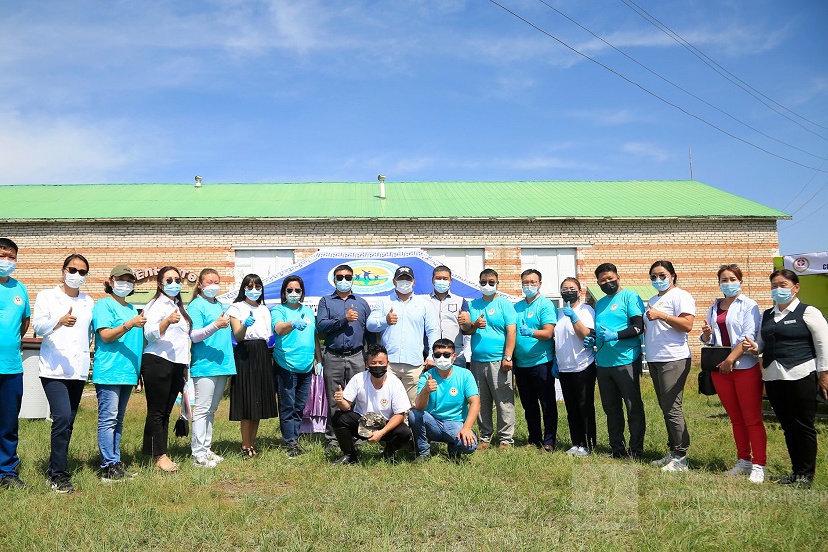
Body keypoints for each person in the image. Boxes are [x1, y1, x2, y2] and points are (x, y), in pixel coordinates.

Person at [743, 269, 828, 488]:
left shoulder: (808, 312)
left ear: (795, 287)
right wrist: (754, 348)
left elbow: (823, 345)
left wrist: (824, 374)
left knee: (803, 426)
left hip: (801, 375)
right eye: (774, 285)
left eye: (783, 285)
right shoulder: (767, 315)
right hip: (773, 378)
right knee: (788, 426)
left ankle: (806, 475)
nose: (778, 289)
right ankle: (796, 471)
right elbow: (761, 344)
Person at [31, 253, 95, 492]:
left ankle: (54, 467)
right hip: (54, 369)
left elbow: (91, 332)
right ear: (63, 270)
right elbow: (38, 327)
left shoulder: (88, 302)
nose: (76, 275)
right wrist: (59, 321)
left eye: (82, 272)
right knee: (62, 418)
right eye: (72, 269)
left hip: (77, 370)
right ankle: (58, 475)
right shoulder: (47, 296)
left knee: (68, 423)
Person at [699, 264, 765, 483]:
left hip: (744, 367)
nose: (727, 283)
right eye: (723, 280)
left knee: (752, 419)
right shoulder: (714, 306)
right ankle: (744, 461)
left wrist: (730, 360)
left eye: (732, 279)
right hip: (721, 370)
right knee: (736, 419)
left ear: (740, 281)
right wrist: (707, 335)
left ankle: (759, 464)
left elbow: (748, 337)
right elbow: (710, 340)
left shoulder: (749, 305)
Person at [91, 265, 146, 482]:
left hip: (127, 372)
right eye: (121, 279)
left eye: (130, 280)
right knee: (108, 419)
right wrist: (129, 324)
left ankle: (115, 461)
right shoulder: (104, 305)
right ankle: (107, 465)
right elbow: (105, 336)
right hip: (109, 371)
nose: (126, 283)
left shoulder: (132, 308)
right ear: (111, 281)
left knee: (119, 420)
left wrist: (139, 371)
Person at [644, 260, 696, 472]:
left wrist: (662, 315)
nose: (658, 279)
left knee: (672, 407)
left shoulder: (680, 296)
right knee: (666, 407)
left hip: (673, 358)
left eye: (662, 275)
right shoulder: (653, 299)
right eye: (654, 276)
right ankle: (673, 452)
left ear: (673, 275)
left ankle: (682, 457)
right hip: (655, 359)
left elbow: (687, 325)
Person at [590, 262, 645, 459]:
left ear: (618, 278)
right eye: (603, 280)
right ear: (598, 282)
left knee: (633, 408)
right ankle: (617, 449)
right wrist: (593, 338)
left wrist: (616, 335)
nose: (607, 282)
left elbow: (639, 327)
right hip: (603, 363)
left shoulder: (630, 296)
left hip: (626, 361)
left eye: (610, 278)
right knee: (611, 410)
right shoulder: (600, 303)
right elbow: (602, 330)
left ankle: (636, 451)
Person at [141, 266, 192, 473]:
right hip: (157, 361)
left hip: (177, 363)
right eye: (168, 280)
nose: (174, 283)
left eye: (177, 279)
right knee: (157, 411)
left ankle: (159, 452)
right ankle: (159, 456)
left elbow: (183, 339)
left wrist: (185, 367)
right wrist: (166, 321)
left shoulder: (179, 305)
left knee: (166, 411)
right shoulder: (155, 304)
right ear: (160, 284)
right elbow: (149, 333)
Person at [460, 268, 517, 450]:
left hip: (499, 361)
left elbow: (511, 331)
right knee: (481, 401)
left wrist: (507, 357)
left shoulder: (505, 304)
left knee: (503, 401)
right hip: (477, 361)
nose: (487, 285)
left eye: (491, 282)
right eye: (483, 282)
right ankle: (485, 437)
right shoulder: (473, 305)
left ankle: (505, 439)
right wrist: (474, 325)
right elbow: (466, 330)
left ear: (497, 283)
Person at [316, 264, 371, 451]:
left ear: (353, 278)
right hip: (333, 356)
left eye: (348, 277)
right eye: (340, 277)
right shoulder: (326, 301)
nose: (344, 280)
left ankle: (359, 436)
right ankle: (332, 438)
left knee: (359, 398)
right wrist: (344, 319)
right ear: (334, 280)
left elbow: (369, 333)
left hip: (357, 356)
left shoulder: (362, 303)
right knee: (334, 398)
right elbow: (321, 327)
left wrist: (370, 356)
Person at [367, 266, 440, 405]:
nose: (404, 282)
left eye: (408, 279)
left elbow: (433, 331)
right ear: (394, 282)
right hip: (389, 363)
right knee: (386, 403)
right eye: (401, 279)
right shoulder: (384, 302)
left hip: (414, 364)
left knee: (413, 405)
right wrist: (385, 321)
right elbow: (370, 325)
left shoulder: (424, 304)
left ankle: (410, 427)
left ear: (414, 282)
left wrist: (431, 356)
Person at [187, 268, 236, 468]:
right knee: (202, 410)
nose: (213, 285)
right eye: (208, 282)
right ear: (200, 284)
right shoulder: (196, 306)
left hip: (222, 364)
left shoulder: (221, 305)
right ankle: (197, 454)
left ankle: (206, 449)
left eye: (216, 281)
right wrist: (215, 325)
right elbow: (194, 335)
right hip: (205, 365)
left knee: (212, 410)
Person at [330, 344, 412, 464]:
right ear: (367, 364)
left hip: (385, 425)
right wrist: (340, 401)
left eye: (381, 362)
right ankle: (349, 455)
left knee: (404, 432)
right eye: (373, 363)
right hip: (361, 423)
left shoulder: (395, 382)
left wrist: (381, 432)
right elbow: (346, 406)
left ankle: (388, 452)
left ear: (387, 363)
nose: (377, 366)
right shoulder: (358, 379)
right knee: (338, 417)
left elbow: (400, 414)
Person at [227, 273, 276, 458]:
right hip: (245, 353)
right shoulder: (236, 307)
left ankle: (252, 443)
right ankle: (245, 444)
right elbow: (238, 336)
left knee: (258, 402)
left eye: (257, 287)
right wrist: (245, 325)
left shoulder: (264, 309)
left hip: (262, 353)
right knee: (247, 401)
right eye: (250, 287)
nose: (254, 290)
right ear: (243, 289)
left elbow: (268, 336)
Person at [272, 275, 321, 458]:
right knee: (288, 405)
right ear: (284, 292)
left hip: (306, 366)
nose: (294, 293)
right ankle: (290, 443)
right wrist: (292, 324)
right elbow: (278, 329)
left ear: (302, 292)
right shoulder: (279, 310)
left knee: (300, 405)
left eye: (297, 290)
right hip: (286, 364)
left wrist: (319, 359)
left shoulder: (308, 311)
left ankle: (295, 436)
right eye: (290, 290)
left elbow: (314, 337)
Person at [409, 338, 480, 462]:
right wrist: (426, 390)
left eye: (446, 355)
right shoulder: (426, 376)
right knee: (413, 414)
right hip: (433, 422)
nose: (442, 358)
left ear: (454, 357)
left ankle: (454, 447)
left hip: (456, 422)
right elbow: (419, 407)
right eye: (438, 355)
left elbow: (475, 402)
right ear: (433, 356)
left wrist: (467, 428)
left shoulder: (465, 375)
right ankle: (423, 452)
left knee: (470, 446)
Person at [513, 269, 557, 452]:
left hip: (541, 362)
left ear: (540, 283)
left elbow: (548, 332)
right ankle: (534, 439)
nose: (529, 285)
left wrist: (532, 332)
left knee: (547, 404)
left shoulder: (545, 305)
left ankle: (549, 441)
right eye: (526, 282)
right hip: (521, 364)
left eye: (533, 282)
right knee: (528, 405)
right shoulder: (516, 307)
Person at [0, 238, 30, 490]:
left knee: (8, 423)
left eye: (11, 257)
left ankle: (7, 472)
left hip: (11, 368)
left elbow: (24, 323)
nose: (6, 261)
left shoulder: (20, 289)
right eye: (2, 255)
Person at [555, 277, 596, 457]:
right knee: (571, 408)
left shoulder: (585, 310)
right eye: (565, 288)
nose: (568, 291)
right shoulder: (559, 313)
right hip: (564, 367)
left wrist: (574, 318)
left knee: (584, 406)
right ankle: (576, 442)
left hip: (583, 365)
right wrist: (556, 361)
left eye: (572, 288)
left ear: (579, 291)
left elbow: (585, 334)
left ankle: (588, 444)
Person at [427, 265, 471, 367]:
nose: (441, 281)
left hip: (456, 356)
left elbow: (466, 328)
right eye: (438, 278)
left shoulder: (460, 301)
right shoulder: (423, 301)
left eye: (445, 278)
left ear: (450, 280)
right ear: (432, 280)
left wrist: (466, 322)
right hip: (432, 356)